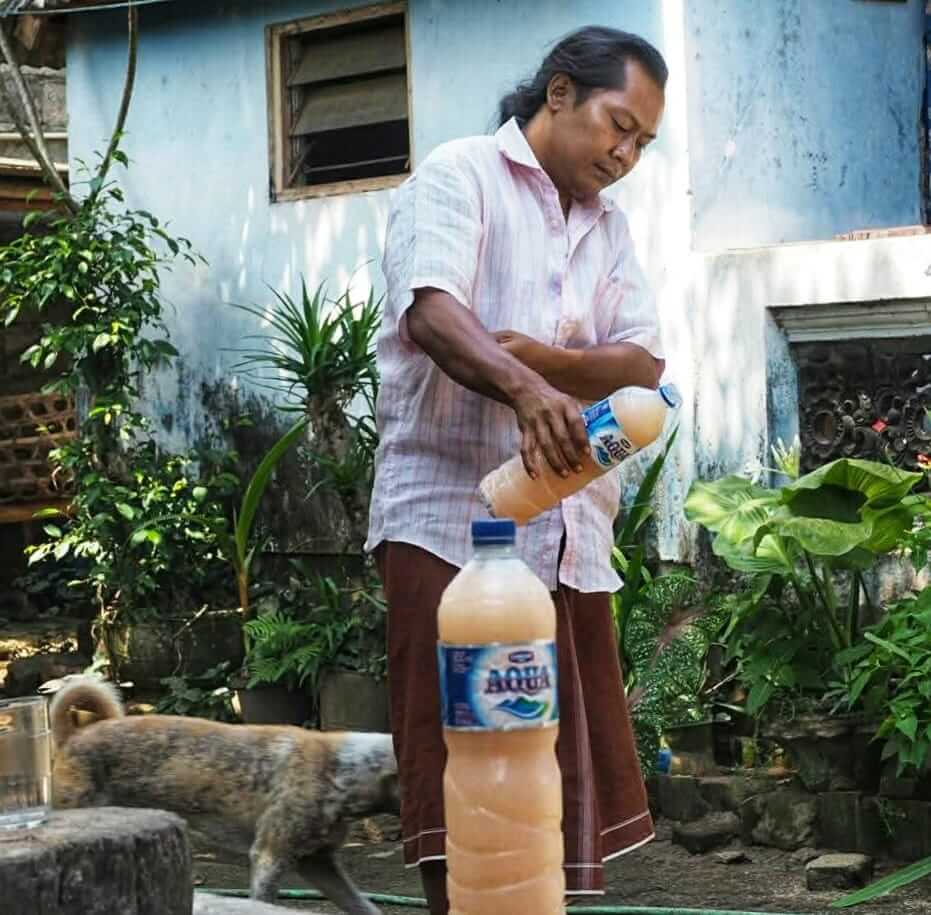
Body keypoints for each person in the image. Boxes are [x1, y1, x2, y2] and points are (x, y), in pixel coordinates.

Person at [365, 24, 668, 914]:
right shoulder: (457, 177)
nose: (625, 153)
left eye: (643, 143)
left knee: (542, 784)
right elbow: (432, 310)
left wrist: (540, 359)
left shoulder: (608, 230)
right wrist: (528, 386)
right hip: (448, 528)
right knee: (468, 768)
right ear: (560, 93)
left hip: (567, 538)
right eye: (618, 125)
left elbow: (643, 365)